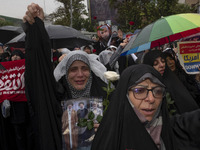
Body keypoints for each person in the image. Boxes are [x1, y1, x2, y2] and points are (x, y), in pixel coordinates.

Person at [23, 3, 109, 150]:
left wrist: (107, 129)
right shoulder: (55, 100)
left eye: (84, 69)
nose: (80, 75)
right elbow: (39, 74)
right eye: (73, 69)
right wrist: (36, 29)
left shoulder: (107, 97)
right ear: (65, 73)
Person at [91, 64, 200, 150]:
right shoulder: (111, 138)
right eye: (139, 91)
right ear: (125, 95)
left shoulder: (171, 129)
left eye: (157, 91)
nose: (151, 99)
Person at [143, 50, 199, 114]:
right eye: (156, 63)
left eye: (163, 61)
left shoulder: (173, 80)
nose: (162, 65)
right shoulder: (148, 90)